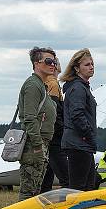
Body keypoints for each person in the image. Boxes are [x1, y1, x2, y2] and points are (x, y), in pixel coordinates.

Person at [17, 46, 57, 200]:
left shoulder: (41, 85)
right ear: (36, 63)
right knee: (29, 191)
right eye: (48, 61)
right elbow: (29, 118)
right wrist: (37, 146)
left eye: (54, 61)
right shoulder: (33, 85)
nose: (52, 64)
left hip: (41, 143)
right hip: (34, 145)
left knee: (35, 189)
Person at [60, 48, 97, 191]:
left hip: (81, 144)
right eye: (87, 65)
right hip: (78, 144)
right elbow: (77, 115)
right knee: (79, 189)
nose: (91, 67)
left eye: (92, 64)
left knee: (87, 187)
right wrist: (89, 136)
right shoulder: (78, 88)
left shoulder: (81, 87)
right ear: (77, 68)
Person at [40, 52, 67, 192]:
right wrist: (62, 130)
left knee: (47, 175)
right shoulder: (53, 83)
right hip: (55, 136)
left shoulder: (44, 82)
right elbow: (54, 113)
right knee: (66, 177)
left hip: (46, 135)